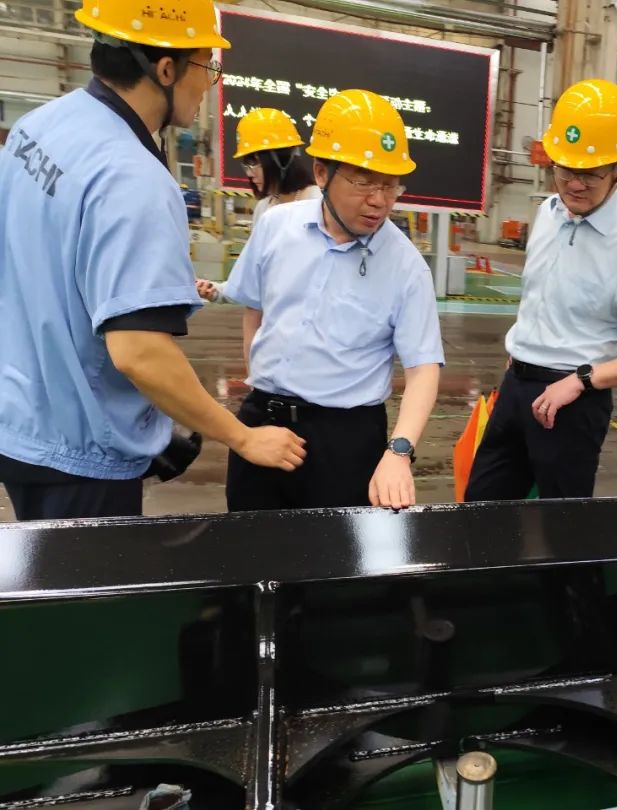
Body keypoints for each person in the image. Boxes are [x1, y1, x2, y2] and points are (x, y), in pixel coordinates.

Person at [0, 0, 305, 521]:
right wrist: (242, 437)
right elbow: (139, 352)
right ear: (165, 69)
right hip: (80, 453)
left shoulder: (39, 125)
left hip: (19, 418)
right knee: (91, 575)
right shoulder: (132, 178)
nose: (208, 83)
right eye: (205, 65)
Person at [220, 90, 443, 511]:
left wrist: (398, 452)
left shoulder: (406, 266)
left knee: (335, 549)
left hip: (344, 440)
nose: (379, 200)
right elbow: (255, 311)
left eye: (390, 185)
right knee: (248, 540)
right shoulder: (275, 228)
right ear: (322, 173)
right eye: (364, 181)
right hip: (262, 423)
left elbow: (423, 369)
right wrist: (258, 386)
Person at [464, 78, 617, 502]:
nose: (574, 184)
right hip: (516, 386)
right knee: (480, 509)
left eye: (590, 174)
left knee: (561, 525)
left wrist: (582, 380)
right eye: (565, 170)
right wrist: (523, 348)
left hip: (572, 400)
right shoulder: (549, 214)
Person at [196, 108, 320, 303]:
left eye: (255, 163)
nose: (249, 173)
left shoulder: (316, 202)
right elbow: (252, 277)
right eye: (246, 165)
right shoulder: (264, 209)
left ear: (281, 159)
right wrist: (216, 291)